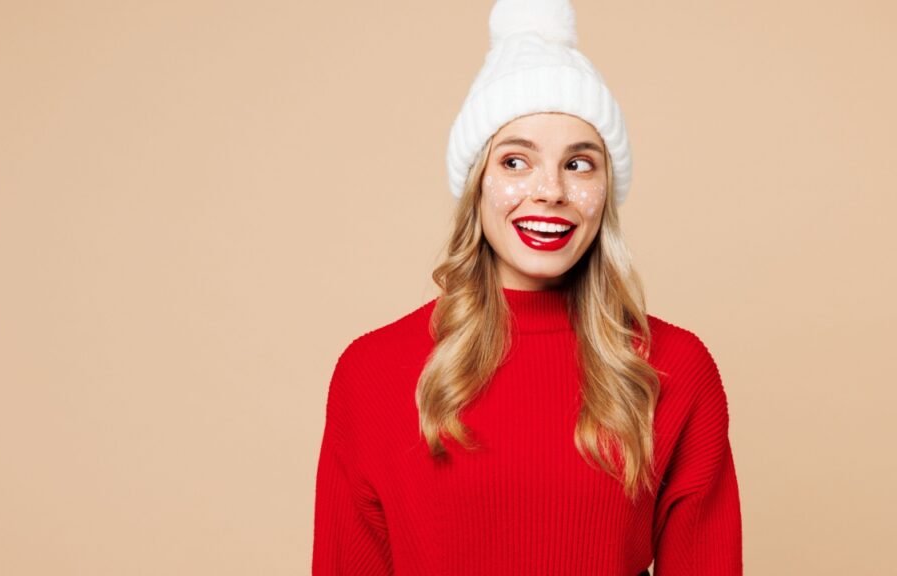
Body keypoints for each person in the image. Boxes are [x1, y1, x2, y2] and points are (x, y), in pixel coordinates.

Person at [312, 0, 743, 574]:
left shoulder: (675, 369)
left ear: (606, 191)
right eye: (516, 162)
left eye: (579, 164)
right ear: (478, 185)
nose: (549, 191)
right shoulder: (370, 373)